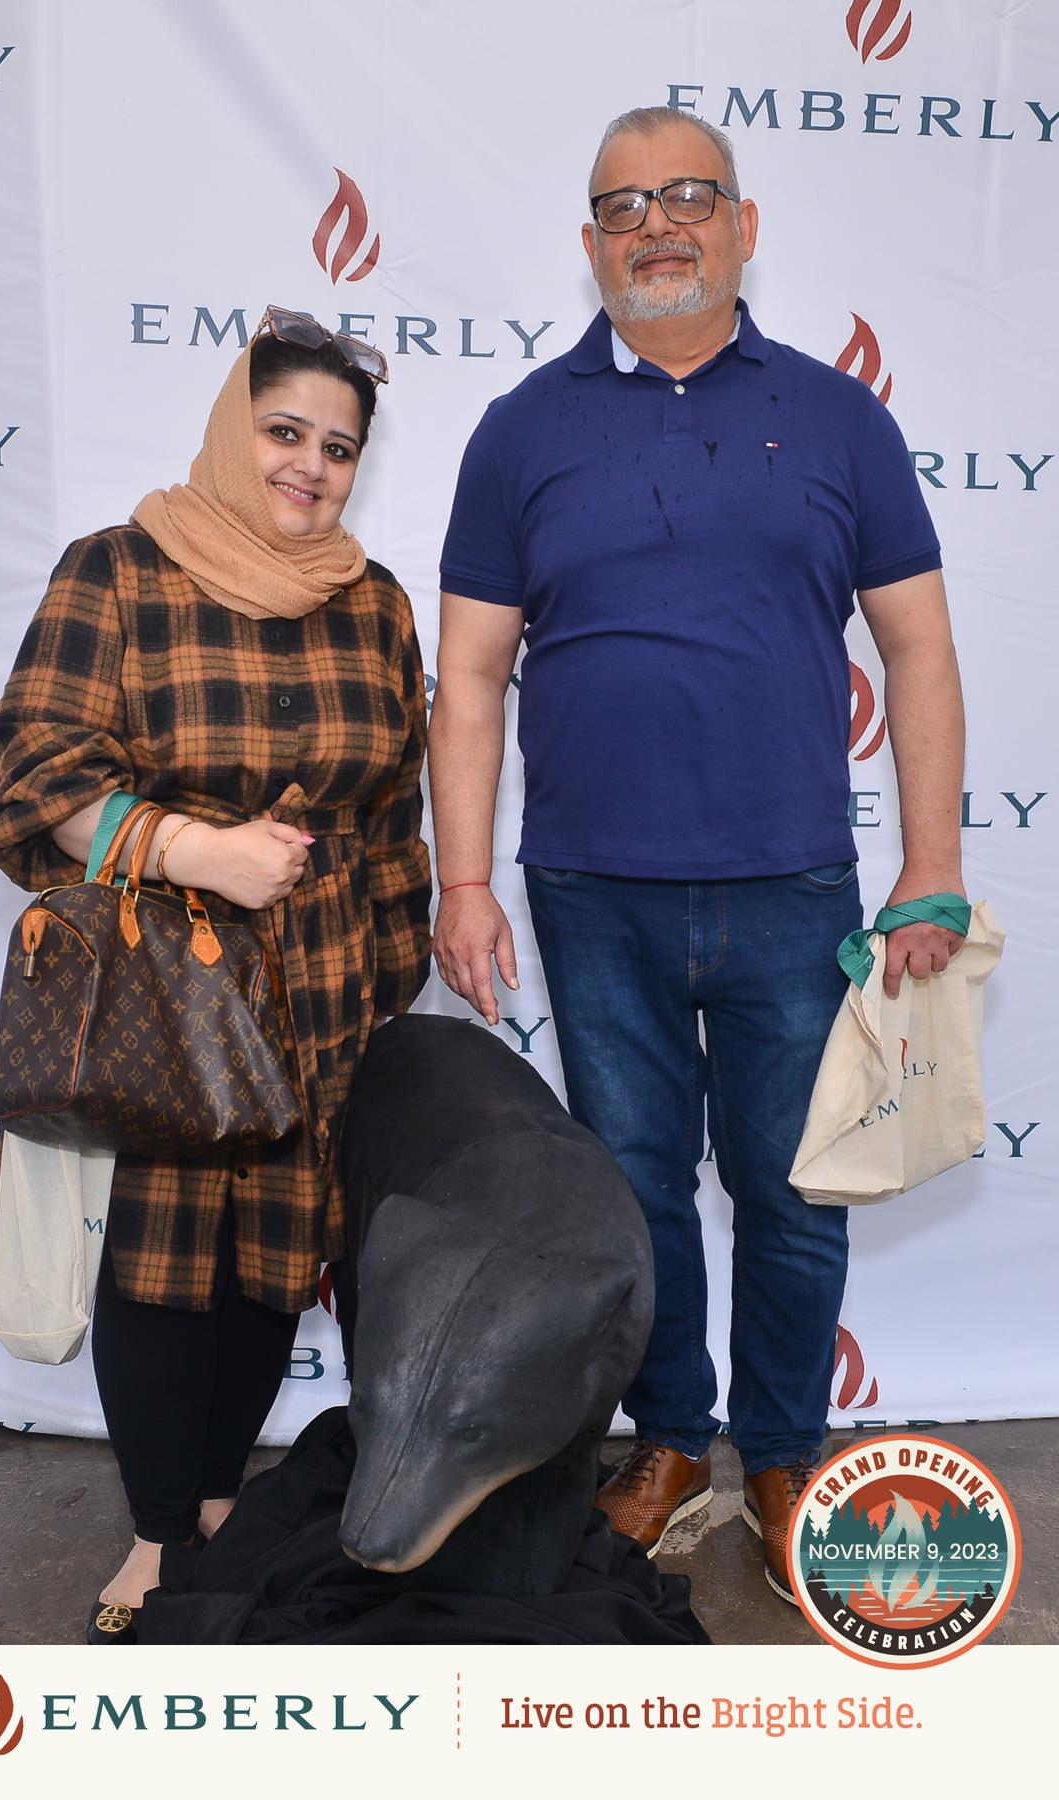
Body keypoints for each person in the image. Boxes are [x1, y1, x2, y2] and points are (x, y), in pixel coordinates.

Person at [429, 107, 965, 1603]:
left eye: (688, 198)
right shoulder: (522, 427)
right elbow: (468, 676)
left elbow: (916, 650)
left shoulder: (839, 418)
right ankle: (669, 1439)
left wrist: (932, 867)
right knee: (636, 1189)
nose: (657, 225)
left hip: (795, 886)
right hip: (589, 896)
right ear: (590, 243)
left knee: (796, 1192)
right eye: (623, 206)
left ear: (742, 224)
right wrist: (465, 879)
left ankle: (785, 1452)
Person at [0, 308, 432, 1640]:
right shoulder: (116, 572)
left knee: (273, 1263)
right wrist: (199, 850)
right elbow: (43, 775)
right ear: (236, 428)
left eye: (337, 447)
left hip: (331, 992)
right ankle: (156, 1529)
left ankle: (222, 1502)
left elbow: (393, 807)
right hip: (171, 999)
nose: (308, 465)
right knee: (163, 1266)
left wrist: (394, 975)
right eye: (284, 430)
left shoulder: (377, 600)